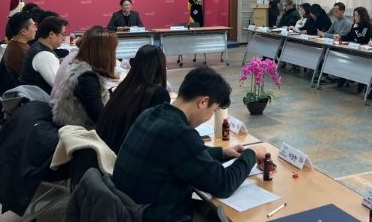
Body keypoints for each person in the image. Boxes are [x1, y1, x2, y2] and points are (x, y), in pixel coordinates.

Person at [113, 66, 267, 221]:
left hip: (133, 210)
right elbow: (223, 185)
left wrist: (222, 153)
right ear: (203, 102)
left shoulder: (150, 114)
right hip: (161, 215)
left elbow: (177, 154)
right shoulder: (180, 133)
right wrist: (252, 154)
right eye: (213, 110)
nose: (210, 116)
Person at [96, 45, 170, 153]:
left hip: (106, 151)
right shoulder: (157, 94)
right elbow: (159, 134)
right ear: (161, 67)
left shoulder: (123, 88)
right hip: (125, 155)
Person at [52, 27, 117, 129]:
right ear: (104, 53)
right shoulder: (87, 79)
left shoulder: (79, 66)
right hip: (80, 130)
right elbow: (101, 120)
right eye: (113, 50)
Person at [19, 16, 68, 94]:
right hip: (41, 100)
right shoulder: (44, 55)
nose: (64, 39)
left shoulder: (38, 46)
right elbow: (61, 86)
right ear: (51, 34)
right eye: (63, 34)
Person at [3, 12, 37, 77]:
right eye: (33, 26)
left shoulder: (15, 45)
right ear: (23, 31)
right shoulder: (20, 52)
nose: (36, 29)